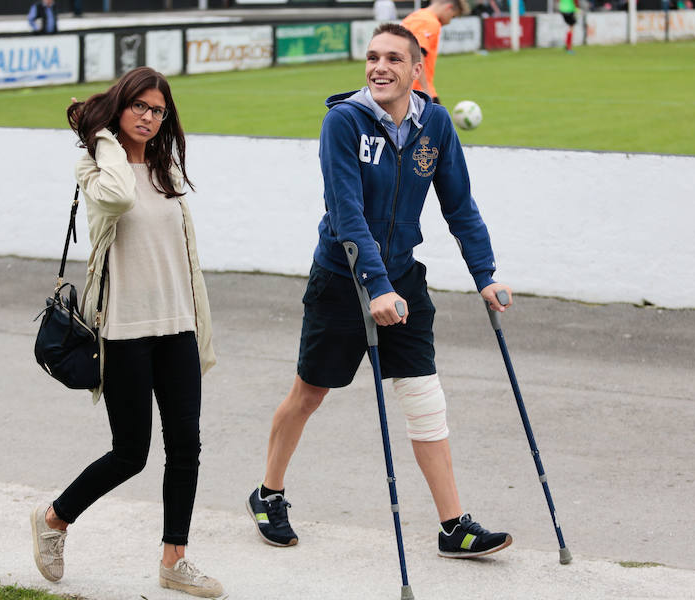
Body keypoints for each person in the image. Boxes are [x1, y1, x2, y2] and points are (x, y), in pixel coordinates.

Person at [246, 23, 514, 562]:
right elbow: (347, 216)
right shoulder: (343, 122)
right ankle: (268, 493)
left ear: (418, 69)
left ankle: (452, 527)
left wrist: (485, 275)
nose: (379, 67)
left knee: (423, 398)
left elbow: (459, 205)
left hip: (403, 280)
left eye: (394, 58)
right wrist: (375, 286)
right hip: (343, 280)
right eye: (372, 57)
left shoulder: (434, 122)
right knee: (309, 394)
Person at [30, 67, 223, 598]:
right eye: (139, 106)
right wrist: (102, 137)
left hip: (177, 325)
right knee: (131, 452)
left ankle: (174, 560)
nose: (149, 117)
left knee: (186, 445)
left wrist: (196, 320)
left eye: (158, 110)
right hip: (124, 331)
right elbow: (116, 198)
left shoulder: (166, 169)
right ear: (119, 107)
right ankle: (54, 519)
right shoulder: (95, 167)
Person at [401, 0, 470, 105]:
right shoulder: (430, 22)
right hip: (418, 92)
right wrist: (425, 88)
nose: (449, 21)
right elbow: (418, 54)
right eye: (453, 17)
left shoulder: (414, 16)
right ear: (449, 7)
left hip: (402, 89)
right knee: (441, 119)